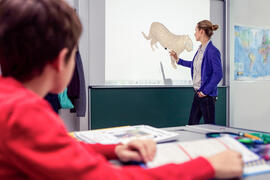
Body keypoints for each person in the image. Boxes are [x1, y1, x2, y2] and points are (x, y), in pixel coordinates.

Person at [0, 0, 243, 179]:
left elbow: (59, 145)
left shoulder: (11, 102)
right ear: (59, 61)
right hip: (199, 97)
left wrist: (115, 149)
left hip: (205, 94)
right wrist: (207, 166)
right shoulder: (24, 115)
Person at [170, 20, 223, 125]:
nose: (194, 33)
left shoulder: (213, 51)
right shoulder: (200, 50)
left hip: (206, 97)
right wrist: (178, 60)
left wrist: (205, 92)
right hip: (198, 94)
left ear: (201, 32)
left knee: (210, 129)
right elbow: (195, 65)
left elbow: (218, 74)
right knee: (191, 126)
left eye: (196, 30)